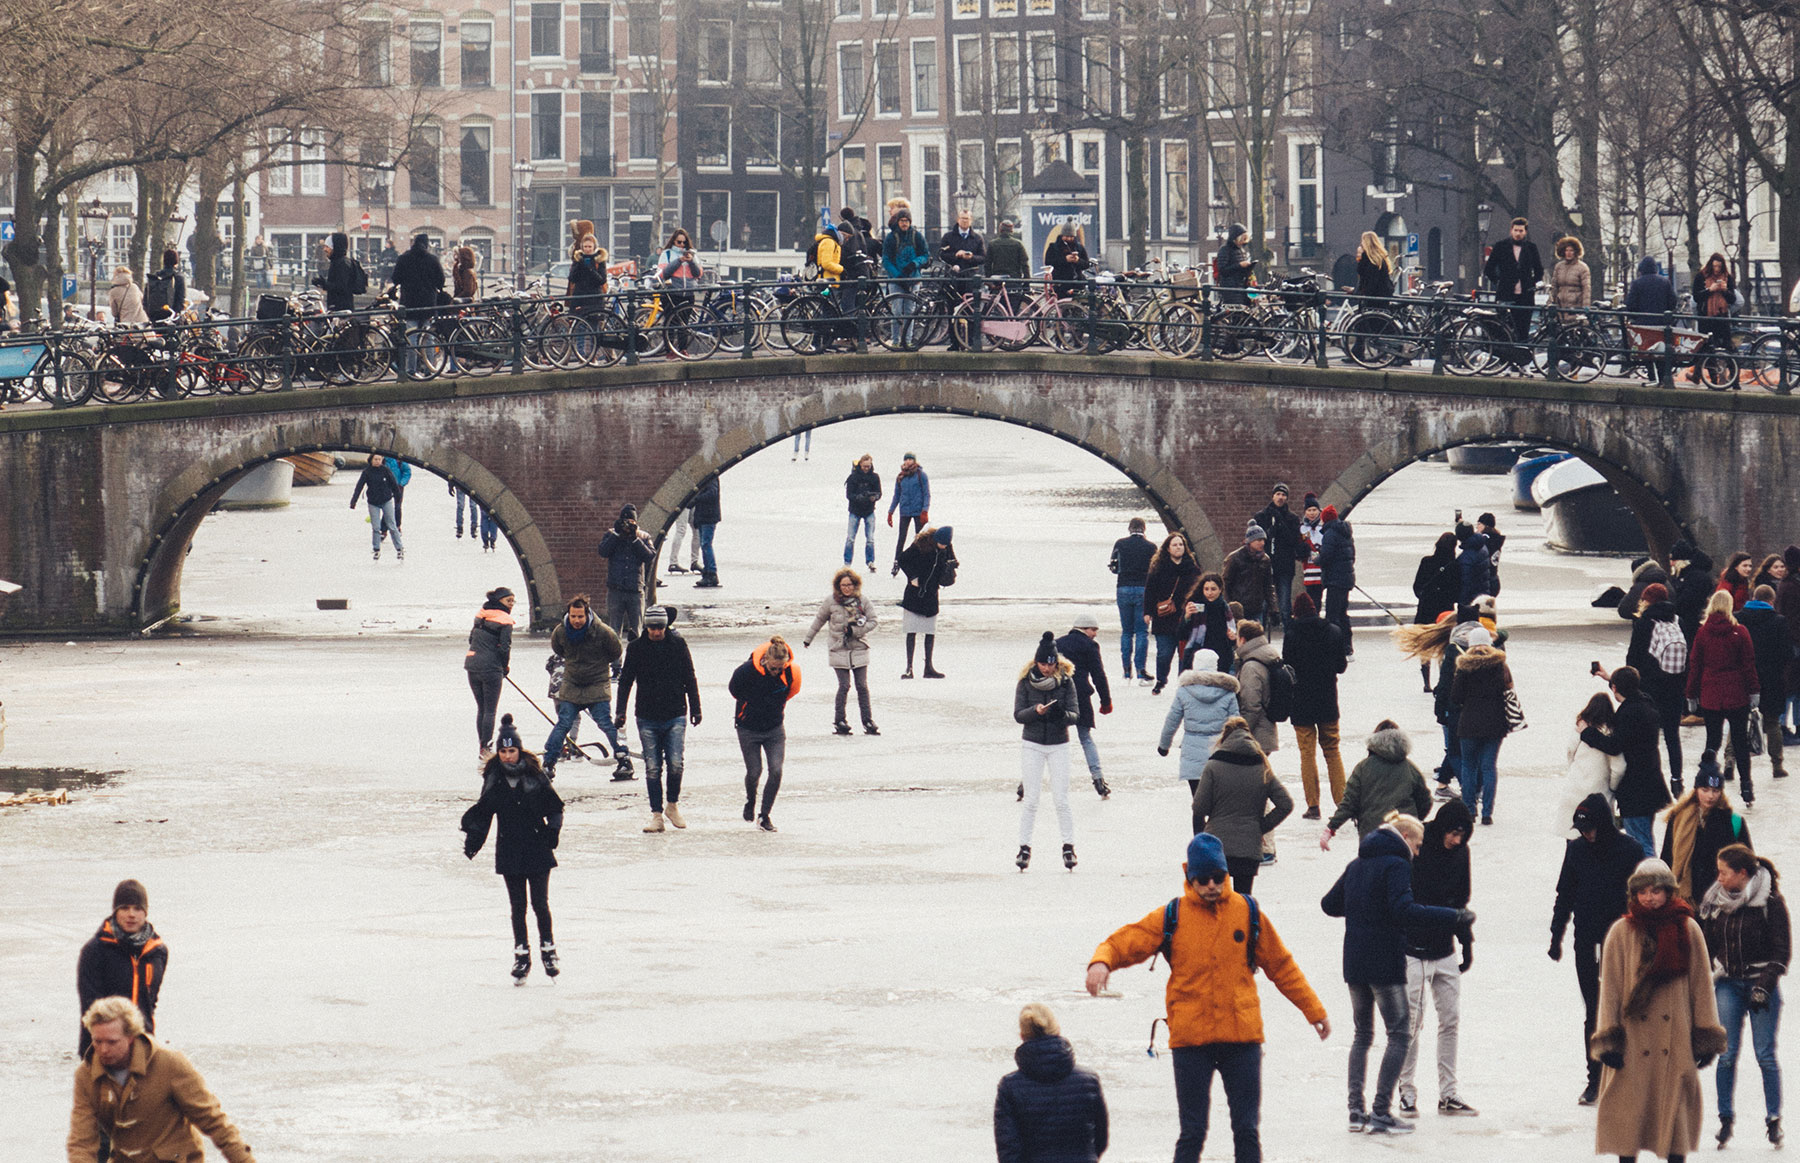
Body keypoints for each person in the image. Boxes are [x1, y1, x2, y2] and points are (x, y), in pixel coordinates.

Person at [1086, 831, 1331, 1163]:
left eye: (1218, 877)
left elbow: (1281, 965)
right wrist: (1102, 961)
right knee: (1192, 1133)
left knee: (1246, 1131)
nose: (1212, 885)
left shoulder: (1248, 911)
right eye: (1203, 879)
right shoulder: (1172, 915)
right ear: (1190, 878)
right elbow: (1127, 940)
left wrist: (1313, 1009)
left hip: (1241, 1038)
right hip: (1191, 1041)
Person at [1321, 813, 1471, 1135]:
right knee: (1400, 1033)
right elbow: (1405, 910)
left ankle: (1355, 1112)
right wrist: (1453, 917)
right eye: (1416, 845)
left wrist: (1364, 903)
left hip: (1354, 962)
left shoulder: (1357, 865)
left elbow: (1329, 904)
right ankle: (1380, 1111)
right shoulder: (1397, 864)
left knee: (1362, 1035)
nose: (1417, 853)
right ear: (1404, 837)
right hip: (1384, 961)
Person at [1590, 858, 1728, 1162]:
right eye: (1642, 892)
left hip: (1675, 1041)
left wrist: (1704, 1033)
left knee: (1674, 1123)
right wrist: (1609, 1038)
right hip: (1633, 1044)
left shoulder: (1688, 929)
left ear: (1669, 892)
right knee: (1629, 1125)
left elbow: (1701, 985)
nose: (1649, 897)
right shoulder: (1620, 932)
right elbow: (1610, 989)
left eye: (1655, 891)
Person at [68, 995, 257, 1163]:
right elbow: (81, 1141)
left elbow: (213, 1121)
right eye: (97, 1041)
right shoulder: (86, 1076)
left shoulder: (170, 1064)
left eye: (112, 1042)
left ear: (131, 1037)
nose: (103, 1049)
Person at [1552, 793, 1651, 1104]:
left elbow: (1645, 897)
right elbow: (1564, 895)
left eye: (1591, 828)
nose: (1587, 834)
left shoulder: (1630, 850)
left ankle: (1628, 1072)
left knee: (1626, 1008)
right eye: (1582, 829)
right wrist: (1556, 936)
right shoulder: (1577, 851)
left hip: (1623, 942)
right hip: (1587, 943)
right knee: (1594, 1011)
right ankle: (1594, 1077)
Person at [461, 716, 564, 982]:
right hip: (509, 848)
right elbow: (484, 812)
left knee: (540, 903)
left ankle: (548, 950)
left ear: (519, 750)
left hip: (536, 846)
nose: (507, 756)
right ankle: (521, 955)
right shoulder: (494, 778)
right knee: (517, 906)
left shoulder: (534, 775)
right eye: (503, 751)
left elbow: (554, 807)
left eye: (512, 750)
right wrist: (474, 838)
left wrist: (552, 832)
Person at [1700, 844, 1789, 1149]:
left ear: (1742, 873)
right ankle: (1725, 1119)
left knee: (1764, 1054)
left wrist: (1763, 986)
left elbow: (1782, 953)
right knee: (1726, 1055)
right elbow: (1707, 945)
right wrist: (1709, 969)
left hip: (1760, 985)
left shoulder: (1770, 903)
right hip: (1728, 983)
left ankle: (1773, 1119)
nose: (1719, 877)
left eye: (1724, 872)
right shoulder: (1716, 901)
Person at [1397, 800, 1477, 1118]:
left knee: (1451, 1021)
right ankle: (1405, 1090)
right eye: (1454, 834)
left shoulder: (1461, 853)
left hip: (1445, 950)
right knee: (1411, 1024)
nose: (1457, 841)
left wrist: (1466, 942)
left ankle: (1448, 1094)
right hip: (1412, 949)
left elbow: (1460, 901)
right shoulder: (1417, 846)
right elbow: (1405, 902)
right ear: (1443, 828)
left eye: (1463, 835)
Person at [615, 605, 701, 833]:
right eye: (652, 627)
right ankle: (656, 815)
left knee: (675, 763)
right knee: (653, 767)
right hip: (647, 715)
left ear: (666, 626)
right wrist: (620, 711)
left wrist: (696, 708)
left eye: (660, 627)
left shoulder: (677, 644)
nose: (656, 632)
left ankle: (672, 805)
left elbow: (689, 676)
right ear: (646, 627)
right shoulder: (636, 648)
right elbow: (626, 681)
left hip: (675, 713)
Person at [994, 1003, 1108, 1163]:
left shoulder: (1009, 1087)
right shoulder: (1089, 1080)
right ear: (1058, 1031)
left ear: (1022, 1036)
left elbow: (1008, 1151)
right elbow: (1101, 1140)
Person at [1191, 716, 1292, 895]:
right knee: (1243, 904)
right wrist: (1260, 826)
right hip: (1249, 847)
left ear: (1225, 738)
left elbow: (1200, 808)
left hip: (1217, 846)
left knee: (1217, 904)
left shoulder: (1213, 766)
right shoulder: (1262, 768)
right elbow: (1286, 804)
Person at [541, 594, 630, 782]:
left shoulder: (603, 631)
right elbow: (558, 649)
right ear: (568, 615)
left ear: (587, 614)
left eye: (580, 616)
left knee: (605, 722)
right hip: (572, 684)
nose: (576, 621)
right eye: (573, 616)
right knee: (563, 723)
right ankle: (548, 763)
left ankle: (624, 758)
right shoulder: (561, 632)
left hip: (596, 683)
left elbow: (616, 651)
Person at [76, 880, 166, 1057]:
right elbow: (91, 1008)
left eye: (137, 908)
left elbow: (150, 1002)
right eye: (125, 908)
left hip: (143, 1047)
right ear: (116, 911)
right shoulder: (95, 951)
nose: (131, 914)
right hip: (102, 1049)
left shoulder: (157, 952)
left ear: (145, 912)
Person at [1687, 590, 1759, 805]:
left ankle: (1706, 781)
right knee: (1739, 741)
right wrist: (1754, 690)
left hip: (1711, 692)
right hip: (1736, 692)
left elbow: (1695, 665)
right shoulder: (1740, 631)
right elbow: (1748, 664)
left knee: (1712, 739)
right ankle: (1746, 786)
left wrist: (1691, 694)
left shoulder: (1702, 633)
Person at [1016, 632, 1079, 872]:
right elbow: (1018, 714)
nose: (1047, 668)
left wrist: (1060, 715)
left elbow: (1075, 714)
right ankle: (1024, 847)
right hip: (1032, 743)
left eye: (1051, 664)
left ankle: (1068, 845)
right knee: (1032, 798)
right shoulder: (1025, 682)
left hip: (1058, 743)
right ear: (1036, 662)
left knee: (1061, 798)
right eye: (1043, 664)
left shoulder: (1066, 682)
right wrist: (1035, 711)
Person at [1284, 592, 1347, 821]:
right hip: (1328, 699)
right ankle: (1342, 803)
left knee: (1307, 753)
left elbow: (1287, 668)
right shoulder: (1333, 631)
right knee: (1332, 750)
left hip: (1301, 701)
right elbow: (1341, 667)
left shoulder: (1291, 633)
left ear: (1296, 612)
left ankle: (1313, 806)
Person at [1322, 720, 1432, 845]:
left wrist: (1331, 828)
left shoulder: (1363, 767)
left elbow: (1349, 803)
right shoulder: (1410, 768)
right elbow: (1425, 801)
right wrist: (1411, 820)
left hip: (1372, 834)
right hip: (1404, 834)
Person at [729, 636, 800, 832]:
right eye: (773, 668)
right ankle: (750, 800)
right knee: (754, 772)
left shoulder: (791, 673)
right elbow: (734, 690)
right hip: (748, 729)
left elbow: (791, 692)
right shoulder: (746, 672)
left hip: (774, 729)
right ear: (765, 661)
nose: (777, 672)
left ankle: (764, 815)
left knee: (776, 770)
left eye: (780, 669)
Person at [1660, 760, 1751, 904]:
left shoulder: (1732, 821)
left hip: (1721, 897)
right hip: (1686, 897)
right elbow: (1666, 857)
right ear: (1696, 790)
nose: (1710, 796)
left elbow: (1748, 861)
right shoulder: (1678, 818)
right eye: (1705, 790)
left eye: (1715, 791)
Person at [804, 567, 880, 737]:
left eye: (850, 585)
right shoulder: (831, 602)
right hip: (838, 649)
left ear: (855, 585)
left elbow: (874, 621)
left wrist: (856, 631)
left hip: (859, 647)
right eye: (843, 585)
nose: (847, 588)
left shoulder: (862, 601)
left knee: (862, 686)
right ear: (838, 586)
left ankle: (868, 720)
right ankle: (840, 720)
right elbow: (819, 620)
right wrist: (808, 639)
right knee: (844, 685)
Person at [1626, 583, 1687, 789]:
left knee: (1649, 739)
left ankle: (1653, 780)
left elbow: (1633, 657)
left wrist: (1631, 685)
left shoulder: (1644, 623)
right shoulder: (1678, 620)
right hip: (1675, 689)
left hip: (1650, 689)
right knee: (1672, 736)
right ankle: (1677, 780)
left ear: (1647, 601)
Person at [1160, 646, 1241, 800]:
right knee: (1216, 799)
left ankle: (1198, 823)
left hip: (1192, 750)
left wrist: (1164, 746)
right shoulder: (1227, 692)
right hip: (1219, 751)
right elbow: (1236, 724)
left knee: (1197, 801)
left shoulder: (1184, 691)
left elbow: (1172, 720)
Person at [1450, 641, 1513, 825]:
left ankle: (1469, 810)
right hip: (1495, 725)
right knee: (1489, 767)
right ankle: (1487, 813)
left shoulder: (1464, 667)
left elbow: (1455, 697)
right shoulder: (1499, 666)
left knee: (1468, 767)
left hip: (1469, 724)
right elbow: (1508, 689)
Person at [1058, 612, 1115, 799]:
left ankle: (1025, 784)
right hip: (1081, 696)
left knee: (1049, 740)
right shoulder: (1090, 646)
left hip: (1058, 696)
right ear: (1084, 629)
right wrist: (1105, 701)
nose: (1095, 634)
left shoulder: (1057, 643)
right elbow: (1098, 675)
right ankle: (1098, 780)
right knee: (1085, 738)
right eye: (1093, 629)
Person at [1738, 584, 1789, 780]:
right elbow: (1786, 652)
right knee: (1773, 722)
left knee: (1738, 722)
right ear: (1771, 601)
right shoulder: (1779, 621)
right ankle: (1777, 764)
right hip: (1772, 679)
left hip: (1744, 677)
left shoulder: (1739, 617)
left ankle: (1729, 761)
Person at [1145, 532, 1202, 694]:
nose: (1178, 547)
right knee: (1164, 653)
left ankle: (1183, 682)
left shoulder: (1192, 568)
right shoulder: (1158, 568)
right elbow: (1150, 591)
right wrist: (1148, 612)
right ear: (1168, 549)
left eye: (1181, 544)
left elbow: (1199, 591)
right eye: (1175, 545)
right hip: (1164, 617)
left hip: (1185, 619)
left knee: (1185, 653)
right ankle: (1161, 680)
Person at [897, 525, 956, 679]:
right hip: (915, 592)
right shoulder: (921, 544)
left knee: (930, 630)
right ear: (936, 539)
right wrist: (913, 577)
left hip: (931, 593)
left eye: (946, 544)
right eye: (942, 543)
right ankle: (909, 667)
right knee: (912, 630)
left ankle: (928, 667)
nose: (944, 546)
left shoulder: (947, 547)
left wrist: (950, 569)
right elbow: (903, 559)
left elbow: (952, 565)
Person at [1560, 691, 1626, 827]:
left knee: (1573, 835)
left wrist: (1573, 770)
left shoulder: (1580, 729)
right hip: (1600, 792)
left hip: (1575, 789)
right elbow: (1619, 768)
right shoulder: (1611, 735)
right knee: (1599, 838)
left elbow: (1570, 752)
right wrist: (1612, 787)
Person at [464, 586, 514, 759]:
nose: (512, 604)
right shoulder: (505, 620)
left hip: (472, 664)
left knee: (482, 708)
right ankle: (486, 748)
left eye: (513, 601)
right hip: (491, 668)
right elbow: (505, 648)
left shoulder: (480, 614)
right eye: (509, 600)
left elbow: (472, 638)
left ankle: (482, 746)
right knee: (490, 710)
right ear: (499, 601)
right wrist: (505, 667)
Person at [597, 504, 657, 645]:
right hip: (615, 589)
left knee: (637, 631)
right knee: (613, 631)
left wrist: (634, 539)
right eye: (624, 521)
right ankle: (616, 664)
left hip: (635, 590)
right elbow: (603, 551)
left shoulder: (643, 536)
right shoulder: (612, 535)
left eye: (630, 522)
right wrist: (617, 535)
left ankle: (636, 663)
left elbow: (649, 556)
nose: (627, 525)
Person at [1411, 533, 1460, 692]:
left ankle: (1426, 682)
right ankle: (1443, 680)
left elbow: (1417, 587)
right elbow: (1457, 592)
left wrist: (1425, 597)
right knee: (1444, 645)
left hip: (1425, 608)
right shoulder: (1454, 565)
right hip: (1444, 611)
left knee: (1425, 645)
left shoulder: (1426, 561)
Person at [1110, 517, 1156, 683]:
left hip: (1123, 588)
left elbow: (1114, 567)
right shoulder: (1151, 547)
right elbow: (1154, 570)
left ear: (1129, 529)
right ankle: (1140, 669)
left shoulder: (1120, 544)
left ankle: (1126, 670)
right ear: (1144, 529)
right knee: (1142, 632)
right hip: (1143, 589)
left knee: (1127, 631)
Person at [1482, 216, 1543, 343]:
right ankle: (1507, 357)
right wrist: (1499, 281)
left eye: (1521, 231)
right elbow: (1489, 269)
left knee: (1523, 329)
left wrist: (1532, 283)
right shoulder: (1500, 246)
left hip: (1525, 295)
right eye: (1516, 230)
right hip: (1506, 293)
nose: (1518, 234)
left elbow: (1539, 269)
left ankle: (1522, 357)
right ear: (1511, 230)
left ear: (1525, 232)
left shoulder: (1531, 248)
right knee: (1505, 329)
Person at [391, 233, 444, 377]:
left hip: (410, 303)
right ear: (426, 244)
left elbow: (395, 278)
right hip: (428, 304)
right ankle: (430, 369)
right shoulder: (432, 259)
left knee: (411, 337)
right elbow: (441, 281)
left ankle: (411, 370)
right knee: (429, 337)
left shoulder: (403, 258)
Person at [1251, 484, 1302, 632]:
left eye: (1283, 495)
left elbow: (1293, 541)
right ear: (1273, 496)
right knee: (1263, 605)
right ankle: (1259, 639)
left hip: (1285, 567)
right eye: (1278, 494)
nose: (1280, 497)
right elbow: (1255, 540)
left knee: (1285, 605)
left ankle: (1290, 641)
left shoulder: (1292, 519)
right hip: (1265, 566)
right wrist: (1269, 531)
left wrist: (1281, 524)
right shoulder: (1261, 516)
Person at [1232, 620, 1283, 760]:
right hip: (1267, 729)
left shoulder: (1251, 666)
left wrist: (1240, 734)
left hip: (1256, 735)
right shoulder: (1267, 655)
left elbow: (1251, 705)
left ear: (1242, 639)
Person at [881, 208, 930, 345]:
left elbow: (926, 255)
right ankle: (896, 341)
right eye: (902, 220)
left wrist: (915, 263)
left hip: (913, 278)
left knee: (910, 312)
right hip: (896, 280)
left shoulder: (917, 236)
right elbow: (886, 259)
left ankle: (907, 341)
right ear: (898, 221)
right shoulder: (891, 238)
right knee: (896, 311)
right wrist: (897, 276)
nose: (904, 223)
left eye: (907, 221)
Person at [939, 208, 986, 349]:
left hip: (970, 279)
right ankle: (954, 342)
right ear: (958, 219)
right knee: (952, 309)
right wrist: (956, 256)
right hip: (953, 278)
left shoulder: (977, 238)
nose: (964, 221)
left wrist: (971, 257)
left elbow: (983, 257)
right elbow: (941, 254)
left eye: (967, 219)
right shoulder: (948, 237)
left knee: (971, 310)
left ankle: (971, 341)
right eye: (962, 218)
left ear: (971, 220)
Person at [656, 227, 704, 357]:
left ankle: (683, 350)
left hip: (688, 292)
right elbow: (664, 273)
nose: (682, 245)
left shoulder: (693, 256)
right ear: (674, 241)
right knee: (670, 323)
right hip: (672, 292)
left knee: (684, 324)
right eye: (679, 242)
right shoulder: (667, 254)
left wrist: (691, 261)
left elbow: (698, 273)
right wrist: (679, 261)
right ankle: (670, 351)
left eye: (684, 242)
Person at [1179, 572, 1235, 675]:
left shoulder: (1225, 608)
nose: (1209, 592)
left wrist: (1232, 636)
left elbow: (1232, 640)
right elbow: (1181, 634)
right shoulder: (1194, 605)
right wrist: (1187, 616)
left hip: (1221, 655)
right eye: (1206, 589)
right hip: (1198, 653)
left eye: (1213, 589)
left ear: (1220, 589)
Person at [1317, 505, 1356, 655]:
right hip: (1345, 579)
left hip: (1335, 580)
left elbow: (1326, 556)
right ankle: (1347, 646)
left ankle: (1333, 647)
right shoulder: (1346, 533)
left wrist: (1317, 560)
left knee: (1332, 615)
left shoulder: (1330, 533)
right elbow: (1351, 555)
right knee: (1342, 614)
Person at [1223, 525, 1278, 628]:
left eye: (1263, 540)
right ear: (1250, 541)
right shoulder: (1234, 558)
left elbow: (1268, 585)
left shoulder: (1265, 559)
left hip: (1257, 607)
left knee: (1256, 638)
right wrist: (1229, 605)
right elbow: (1225, 583)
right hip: (1238, 608)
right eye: (1258, 540)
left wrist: (1273, 608)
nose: (1262, 543)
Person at [349, 454, 402, 561]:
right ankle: (376, 549)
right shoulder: (367, 472)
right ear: (371, 460)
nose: (378, 461)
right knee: (376, 527)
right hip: (373, 502)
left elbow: (394, 485)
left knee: (392, 525)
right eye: (376, 459)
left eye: (379, 459)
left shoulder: (385, 470)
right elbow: (359, 486)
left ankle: (399, 548)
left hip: (386, 500)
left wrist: (398, 499)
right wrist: (354, 501)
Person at [887, 452, 931, 573]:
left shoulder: (921, 475)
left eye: (910, 459)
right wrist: (891, 512)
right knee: (901, 537)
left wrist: (925, 510)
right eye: (906, 459)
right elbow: (897, 495)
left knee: (920, 538)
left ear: (914, 461)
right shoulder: (901, 477)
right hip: (905, 511)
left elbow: (926, 494)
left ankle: (921, 561)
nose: (908, 462)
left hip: (918, 511)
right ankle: (897, 562)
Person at [1671, 540, 1717, 647]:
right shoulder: (1688, 575)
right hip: (1687, 623)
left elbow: (1687, 601)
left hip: (1691, 625)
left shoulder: (1696, 578)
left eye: (1673, 559)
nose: (1671, 563)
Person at [1692, 252, 1737, 353]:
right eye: (1715, 266)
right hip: (1706, 317)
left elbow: (1733, 299)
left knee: (1726, 345)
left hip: (1722, 316)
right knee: (1705, 347)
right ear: (1710, 266)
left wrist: (1725, 291)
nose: (1717, 269)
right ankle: (1706, 367)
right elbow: (1696, 297)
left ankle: (1731, 366)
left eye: (1719, 267)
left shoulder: (1727, 277)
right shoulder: (1701, 276)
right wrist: (1709, 290)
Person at [843, 454, 882, 569]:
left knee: (870, 538)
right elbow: (849, 495)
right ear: (860, 465)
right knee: (850, 538)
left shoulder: (875, 477)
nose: (866, 468)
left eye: (868, 466)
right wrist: (859, 497)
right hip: (855, 511)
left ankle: (870, 561)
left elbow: (879, 493)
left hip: (869, 511)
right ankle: (847, 562)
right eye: (864, 466)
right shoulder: (853, 477)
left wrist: (874, 497)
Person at [1779, 546, 1800, 742]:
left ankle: (1783, 725)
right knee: (1792, 686)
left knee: (1790, 685)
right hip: (1795, 641)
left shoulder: (1785, 585)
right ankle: (1786, 726)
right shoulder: (1793, 586)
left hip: (1790, 640)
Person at [567, 223, 609, 319]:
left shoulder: (599, 260)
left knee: (593, 326)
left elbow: (602, 280)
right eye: (585, 247)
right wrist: (579, 265)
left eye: (589, 247)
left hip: (594, 299)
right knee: (578, 326)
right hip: (580, 297)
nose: (587, 249)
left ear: (594, 247)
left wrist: (590, 269)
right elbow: (572, 278)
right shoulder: (578, 259)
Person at [1548, 236, 1592, 322]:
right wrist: (1550, 302)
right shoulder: (1559, 267)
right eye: (1566, 250)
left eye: (1571, 250)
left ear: (1576, 252)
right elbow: (1554, 287)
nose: (1568, 253)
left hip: (1575, 307)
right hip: (1560, 306)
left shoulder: (1582, 267)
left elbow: (1586, 289)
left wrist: (1585, 308)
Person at [690, 475, 722, 587]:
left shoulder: (711, 478)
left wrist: (696, 499)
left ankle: (711, 573)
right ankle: (708, 572)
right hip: (704, 517)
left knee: (706, 544)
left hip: (708, 516)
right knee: (705, 545)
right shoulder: (709, 479)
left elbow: (712, 493)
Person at [1045, 223, 1091, 299]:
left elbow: (1086, 264)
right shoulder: (1053, 247)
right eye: (1066, 236)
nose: (1069, 239)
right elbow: (1048, 261)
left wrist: (1078, 260)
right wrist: (1065, 260)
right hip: (1061, 283)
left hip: (1077, 283)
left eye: (1071, 237)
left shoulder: (1079, 247)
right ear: (1062, 235)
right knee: (1062, 307)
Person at [313, 231, 356, 311]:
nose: (324, 249)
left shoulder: (342, 263)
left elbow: (341, 287)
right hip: (336, 306)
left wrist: (324, 283)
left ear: (335, 247)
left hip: (341, 308)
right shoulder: (336, 262)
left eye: (327, 247)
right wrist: (323, 283)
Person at [142, 248, 186, 323]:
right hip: (171, 317)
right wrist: (177, 313)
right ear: (176, 261)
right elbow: (181, 299)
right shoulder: (178, 277)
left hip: (154, 317)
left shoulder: (154, 277)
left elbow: (145, 299)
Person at [1215, 223, 1254, 305]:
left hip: (1241, 285)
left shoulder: (1241, 250)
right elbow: (1222, 270)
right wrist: (1239, 265)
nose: (1243, 242)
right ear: (1235, 238)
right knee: (1235, 313)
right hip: (1230, 287)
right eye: (1241, 239)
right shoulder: (1225, 250)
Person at [1296, 495, 1325, 606]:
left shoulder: (1323, 527)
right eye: (1309, 510)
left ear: (1319, 511)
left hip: (1322, 570)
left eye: (1314, 510)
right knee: (1311, 599)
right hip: (1308, 571)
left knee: (1318, 599)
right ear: (1305, 512)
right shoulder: (1302, 529)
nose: (1312, 513)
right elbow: (1298, 549)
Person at [986, 218, 1030, 285]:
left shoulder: (992, 244)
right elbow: (1025, 264)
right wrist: (1026, 282)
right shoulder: (1018, 244)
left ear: (1000, 230)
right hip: (1014, 280)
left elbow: (987, 264)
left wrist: (989, 281)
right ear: (1012, 230)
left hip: (997, 281)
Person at [1354, 231, 1395, 302]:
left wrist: (1358, 292)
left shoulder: (1368, 260)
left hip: (1373, 299)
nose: (1361, 244)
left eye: (1362, 241)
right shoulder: (1380, 259)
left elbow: (1368, 282)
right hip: (1382, 296)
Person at [664, 506, 701, 575]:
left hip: (691, 503)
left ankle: (693, 561)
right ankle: (674, 562)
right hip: (686, 504)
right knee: (682, 530)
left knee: (695, 530)